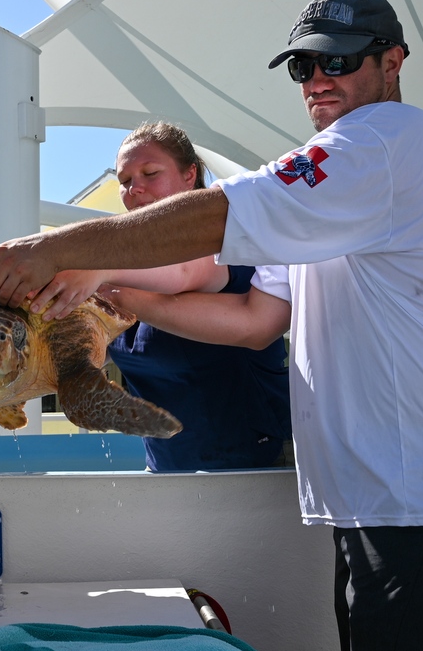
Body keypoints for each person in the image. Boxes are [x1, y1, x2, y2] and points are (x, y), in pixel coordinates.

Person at [0, 0, 423, 651]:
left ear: (393, 63)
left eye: (340, 59)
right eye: (305, 64)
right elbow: (253, 323)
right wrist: (118, 291)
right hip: (378, 497)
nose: (318, 78)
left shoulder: (383, 142)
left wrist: (52, 248)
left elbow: (217, 219)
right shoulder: (338, 184)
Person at [36, 122, 291, 471]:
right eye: (124, 182)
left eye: (150, 173)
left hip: (263, 471)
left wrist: (96, 268)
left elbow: (184, 269)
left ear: (191, 175)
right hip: (166, 476)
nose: (134, 189)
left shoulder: (226, 241)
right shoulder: (110, 281)